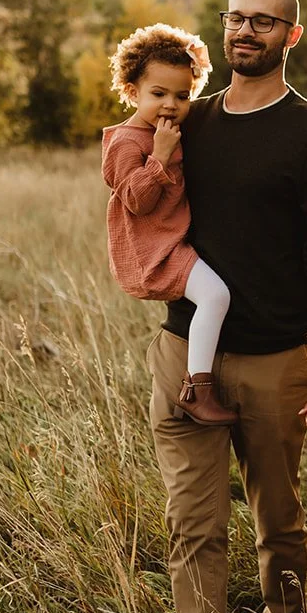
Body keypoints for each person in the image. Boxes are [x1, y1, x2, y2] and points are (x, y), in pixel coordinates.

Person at [145, 0, 307, 613]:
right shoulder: (190, 124)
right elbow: (132, 186)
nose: (246, 31)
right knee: (194, 522)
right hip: (186, 352)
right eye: (236, 19)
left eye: (264, 22)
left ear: (291, 36)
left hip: (275, 360)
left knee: (279, 522)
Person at [101, 23, 237, 425]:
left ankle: (198, 383)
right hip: (154, 252)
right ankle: (197, 388)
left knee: (215, 296)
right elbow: (136, 201)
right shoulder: (129, 141)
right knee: (216, 297)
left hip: (174, 241)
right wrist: (158, 157)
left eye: (182, 96)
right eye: (158, 94)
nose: (170, 105)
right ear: (132, 92)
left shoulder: (175, 128)